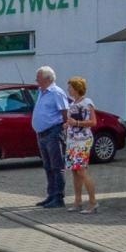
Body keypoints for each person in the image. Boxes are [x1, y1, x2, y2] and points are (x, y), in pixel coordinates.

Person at [32, 65, 69, 208]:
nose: (36, 81)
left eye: (39, 78)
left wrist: (62, 130)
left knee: (56, 166)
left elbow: (65, 113)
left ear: (47, 79)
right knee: (47, 166)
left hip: (53, 132)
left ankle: (59, 197)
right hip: (41, 134)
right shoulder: (41, 91)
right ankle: (51, 195)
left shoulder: (56, 93)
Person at [65, 76, 99, 213]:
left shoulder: (87, 102)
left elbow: (93, 122)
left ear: (77, 88)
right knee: (74, 171)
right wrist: (68, 124)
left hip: (82, 141)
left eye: (70, 87)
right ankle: (77, 201)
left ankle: (93, 202)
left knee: (81, 170)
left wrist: (77, 123)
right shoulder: (74, 103)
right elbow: (73, 120)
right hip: (72, 140)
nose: (68, 89)